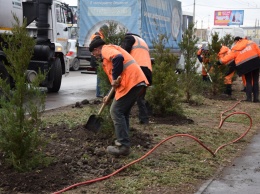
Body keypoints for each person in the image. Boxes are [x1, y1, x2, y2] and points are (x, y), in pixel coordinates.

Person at [89, 37, 149, 156]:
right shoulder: (106, 60)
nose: (94, 56)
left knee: (115, 111)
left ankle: (123, 145)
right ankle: (125, 143)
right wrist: (108, 97)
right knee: (123, 112)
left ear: (96, 49)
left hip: (132, 82)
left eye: (93, 53)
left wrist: (115, 77)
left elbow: (118, 58)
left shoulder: (106, 49)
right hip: (134, 82)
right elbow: (114, 83)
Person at [121, 33, 152, 124]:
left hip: (137, 70)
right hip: (147, 71)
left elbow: (124, 53)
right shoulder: (143, 42)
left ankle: (123, 115)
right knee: (140, 97)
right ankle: (144, 119)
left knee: (128, 93)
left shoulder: (130, 38)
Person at [219, 36, 260, 102]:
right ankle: (256, 99)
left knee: (248, 81)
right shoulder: (251, 43)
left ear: (237, 41)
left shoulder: (235, 48)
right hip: (255, 62)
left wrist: (220, 61)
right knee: (255, 81)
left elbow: (229, 57)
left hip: (245, 65)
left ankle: (249, 99)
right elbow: (259, 52)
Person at [90, 25, 108, 98]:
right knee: (100, 76)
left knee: (100, 76)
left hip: (96, 58)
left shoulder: (97, 35)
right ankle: (99, 93)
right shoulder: (98, 36)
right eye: (106, 31)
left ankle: (99, 93)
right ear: (102, 30)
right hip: (97, 59)